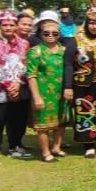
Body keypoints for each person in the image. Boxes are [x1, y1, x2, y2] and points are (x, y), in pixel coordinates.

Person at [63, 7, 96, 158]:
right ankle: (89, 145)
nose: (94, 26)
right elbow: (68, 64)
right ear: (86, 23)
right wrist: (68, 86)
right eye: (91, 23)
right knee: (85, 113)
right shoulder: (76, 40)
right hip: (83, 84)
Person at [0, 10, 31, 165]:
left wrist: (18, 83)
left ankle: (15, 146)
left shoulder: (24, 44)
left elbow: (25, 65)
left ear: (16, 26)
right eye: (5, 25)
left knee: (18, 119)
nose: (8, 28)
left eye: (12, 25)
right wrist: (9, 86)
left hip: (20, 87)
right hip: (0, 90)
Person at [26, 17, 67, 162]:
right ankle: (45, 152)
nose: (50, 36)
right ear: (41, 34)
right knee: (43, 125)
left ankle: (56, 146)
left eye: (54, 33)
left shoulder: (63, 50)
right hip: (43, 92)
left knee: (61, 121)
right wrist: (36, 96)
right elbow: (31, 75)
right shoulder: (35, 52)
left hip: (60, 92)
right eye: (46, 33)